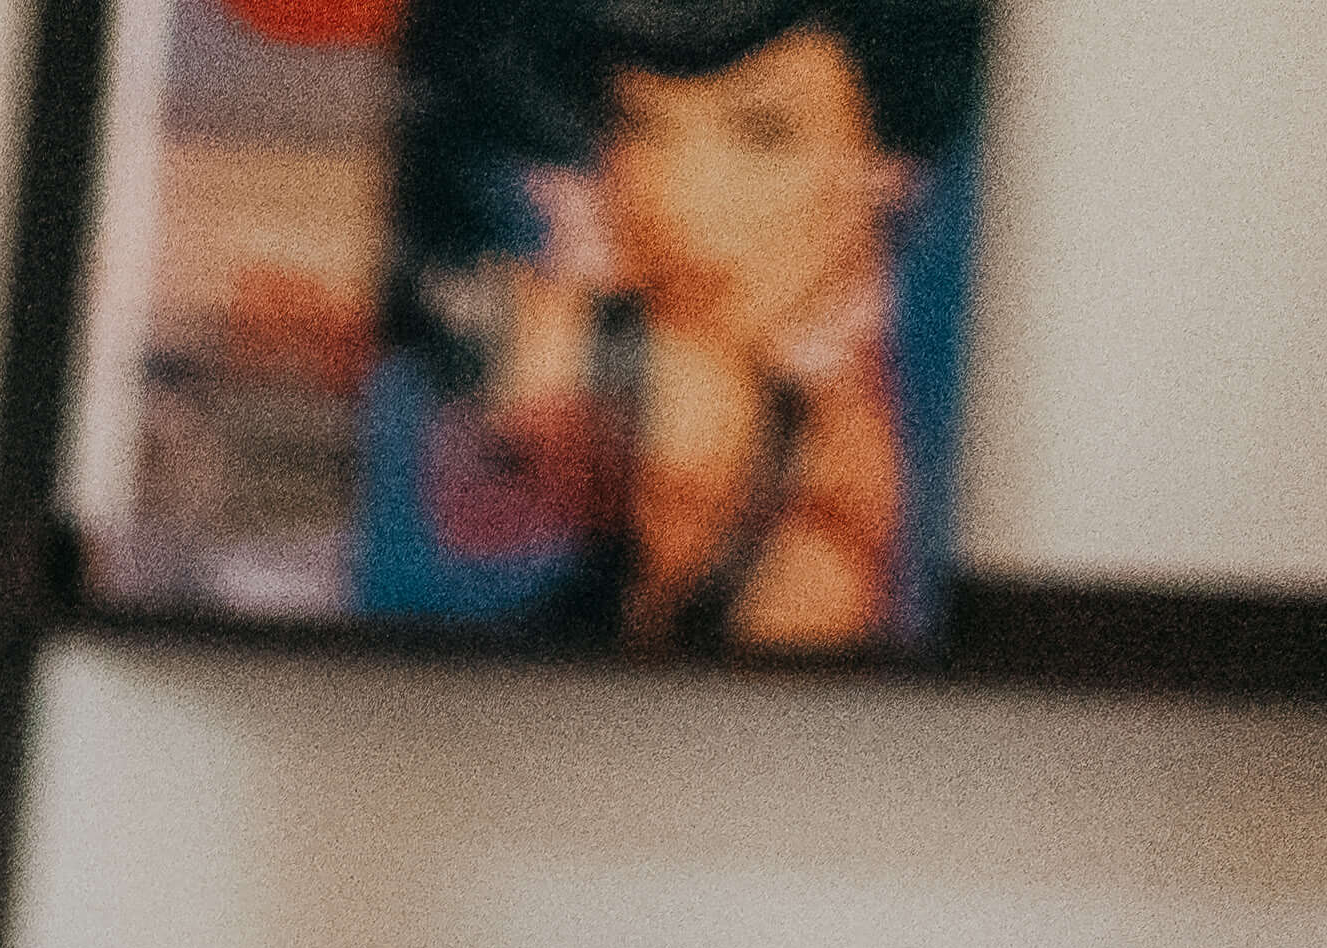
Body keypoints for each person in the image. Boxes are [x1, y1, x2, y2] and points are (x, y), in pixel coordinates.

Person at [382, 0, 985, 656]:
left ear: (889, 169)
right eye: (643, 124)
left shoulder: (888, 473)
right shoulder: (576, 360)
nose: (681, 201)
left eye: (764, 132)